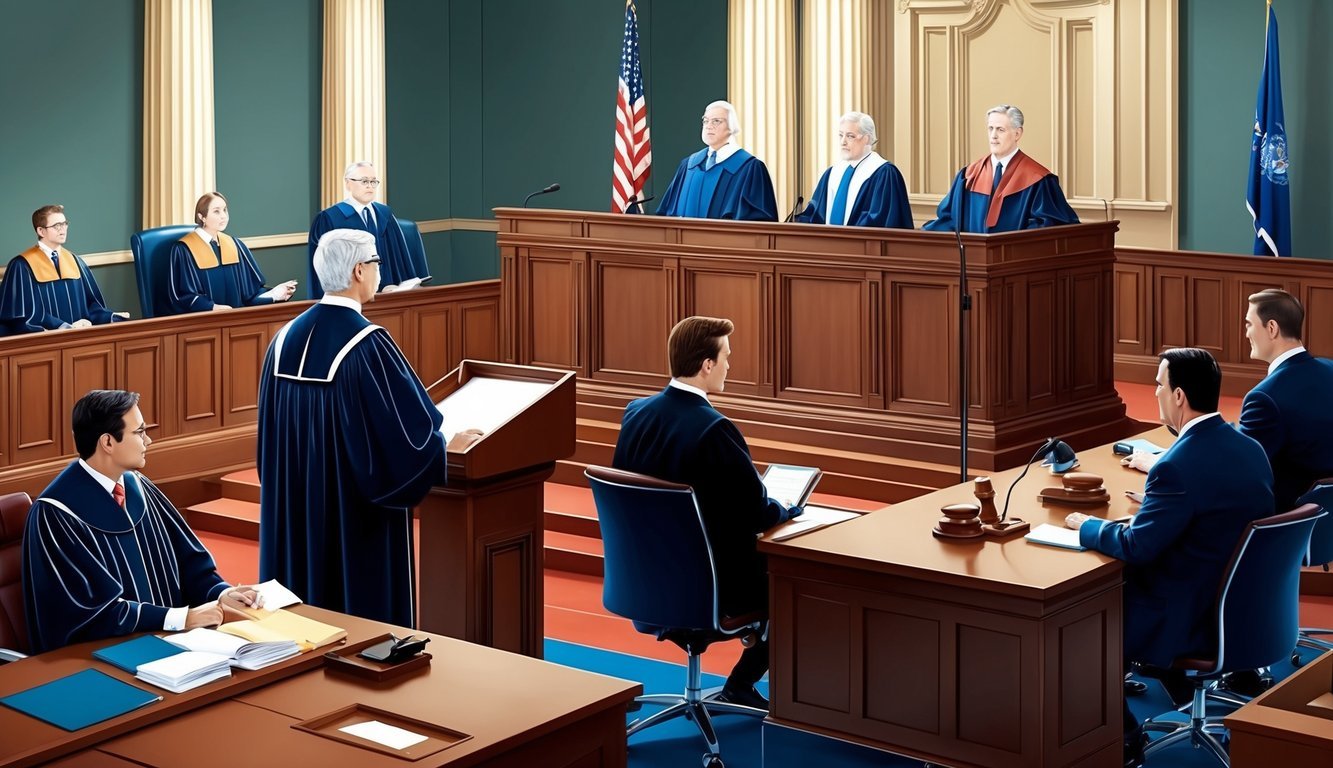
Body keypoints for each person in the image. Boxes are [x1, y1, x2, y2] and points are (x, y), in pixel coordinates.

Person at [257, 229, 479, 627]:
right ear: (359, 270)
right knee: (360, 627)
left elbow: (268, 446)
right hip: (351, 519)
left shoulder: (282, 340)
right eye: (376, 263)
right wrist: (444, 450)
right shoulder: (366, 344)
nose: (380, 270)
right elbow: (401, 442)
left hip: (294, 512)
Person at [1064, 348, 1273, 768]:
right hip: (1244, 609)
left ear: (1179, 395)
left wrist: (1085, 526)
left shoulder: (1176, 466)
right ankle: (1171, 691)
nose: (1156, 392)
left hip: (1190, 615)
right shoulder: (1250, 448)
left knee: (1085, 616)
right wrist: (1162, 507)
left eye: (1159, 385)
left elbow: (1137, 547)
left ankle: (1122, 737)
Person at [612, 316, 802, 710]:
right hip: (705, 589)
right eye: (726, 356)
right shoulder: (714, 429)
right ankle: (741, 683)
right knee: (796, 584)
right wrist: (787, 510)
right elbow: (756, 513)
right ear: (707, 365)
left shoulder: (636, 415)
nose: (731, 365)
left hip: (641, 578)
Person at [21, 390, 262, 653]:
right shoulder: (56, 514)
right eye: (139, 432)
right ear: (108, 443)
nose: (148, 439)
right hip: (104, 660)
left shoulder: (139, 487)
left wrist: (219, 593)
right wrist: (181, 618)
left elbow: (189, 563)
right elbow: (87, 615)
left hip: (175, 642)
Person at [1239, 288, 1333, 514]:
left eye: (1249, 324)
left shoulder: (1264, 398)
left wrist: (1165, 464)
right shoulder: (1330, 369)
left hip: (1285, 522)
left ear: (1271, 328)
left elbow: (1238, 470)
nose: (1246, 334)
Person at [922, 104, 1079, 233]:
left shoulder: (1038, 179)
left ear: (1017, 134)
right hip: (972, 265)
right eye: (990, 129)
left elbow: (1048, 227)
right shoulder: (969, 176)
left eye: (1000, 129)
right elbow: (950, 219)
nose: (993, 136)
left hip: (1015, 265)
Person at [306, 162, 429, 298]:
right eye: (364, 181)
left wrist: (394, 285)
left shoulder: (385, 214)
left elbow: (398, 259)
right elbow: (324, 270)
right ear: (348, 183)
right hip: (352, 297)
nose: (370, 186)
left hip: (388, 294)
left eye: (373, 181)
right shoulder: (329, 218)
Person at [0, 205, 128, 335]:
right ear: (41, 231)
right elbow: (26, 316)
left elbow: (92, 305)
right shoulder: (22, 266)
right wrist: (63, 327)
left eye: (65, 224)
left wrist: (111, 317)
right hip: (47, 345)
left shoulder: (75, 261)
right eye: (57, 226)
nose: (63, 230)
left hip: (80, 339)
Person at [164, 192, 297, 314]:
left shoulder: (234, 245)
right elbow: (181, 296)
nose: (223, 216)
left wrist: (276, 294)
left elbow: (249, 295)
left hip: (236, 321)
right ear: (202, 217)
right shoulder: (184, 249)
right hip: (203, 324)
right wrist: (211, 307)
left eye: (225, 210)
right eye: (216, 211)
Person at [656, 101, 778, 221]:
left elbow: (759, 223)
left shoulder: (750, 168)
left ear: (732, 126)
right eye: (705, 121)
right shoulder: (688, 165)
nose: (709, 126)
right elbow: (667, 213)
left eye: (716, 121)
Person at [794, 112, 912, 229]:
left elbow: (881, 221)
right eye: (841, 135)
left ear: (866, 139)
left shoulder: (884, 174)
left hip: (861, 246)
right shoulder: (833, 173)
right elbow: (815, 214)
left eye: (850, 136)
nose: (843, 142)